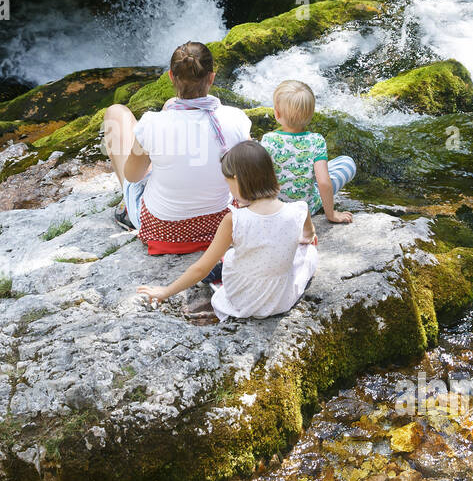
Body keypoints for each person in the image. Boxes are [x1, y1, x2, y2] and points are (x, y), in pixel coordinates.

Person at [139, 140, 317, 321]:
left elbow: (200, 268)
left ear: (237, 179)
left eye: (228, 182)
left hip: (242, 300)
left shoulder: (234, 220)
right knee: (308, 252)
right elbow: (309, 235)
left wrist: (166, 291)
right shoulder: (299, 210)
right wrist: (307, 238)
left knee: (231, 255)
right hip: (280, 301)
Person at [103, 41, 251, 254]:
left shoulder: (151, 123)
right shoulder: (236, 118)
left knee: (116, 114)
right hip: (221, 226)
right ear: (211, 77)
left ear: (172, 77)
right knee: (170, 105)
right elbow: (249, 172)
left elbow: (133, 176)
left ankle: (128, 208)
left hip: (165, 232)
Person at [260, 79, 356, 224]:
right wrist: (331, 214)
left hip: (276, 208)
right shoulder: (316, 140)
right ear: (311, 115)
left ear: (277, 114)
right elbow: (323, 182)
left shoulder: (268, 140)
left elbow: (259, 178)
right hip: (306, 208)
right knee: (347, 162)